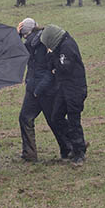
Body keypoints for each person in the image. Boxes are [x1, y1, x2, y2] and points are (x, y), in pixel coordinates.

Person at [17, 18, 69, 163]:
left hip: (41, 89)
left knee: (32, 119)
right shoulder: (41, 41)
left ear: (25, 33)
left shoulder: (35, 45)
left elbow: (47, 69)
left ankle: (30, 154)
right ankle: (70, 147)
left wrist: (38, 89)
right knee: (53, 120)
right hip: (39, 88)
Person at [40, 24, 87, 165]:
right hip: (63, 88)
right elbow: (53, 67)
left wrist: (54, 62)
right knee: (56, 117)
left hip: (75, 89)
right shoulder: (59, 47)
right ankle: (77, 144)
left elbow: (64, 67)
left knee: (74, 121)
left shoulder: (67, 47)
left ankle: (79, 153)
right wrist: (52, 57)